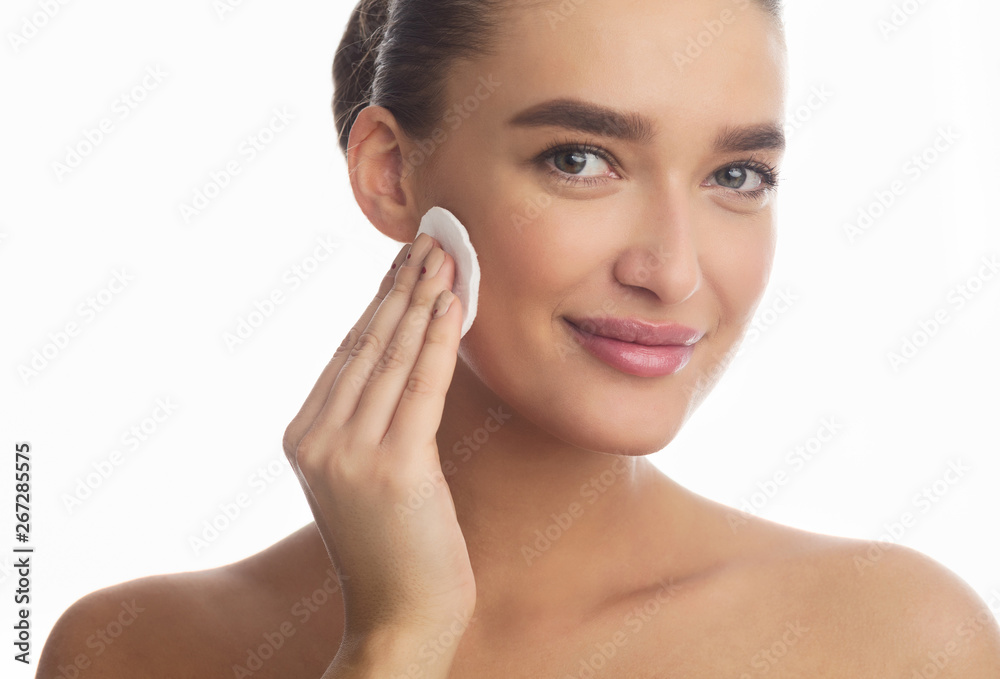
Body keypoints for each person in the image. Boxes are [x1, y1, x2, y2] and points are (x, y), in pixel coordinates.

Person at [36, 0, 1000, 676]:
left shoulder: (894, 642)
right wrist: (396, 641)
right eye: (581, 159)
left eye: (736, 176)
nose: (673, 270)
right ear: (389, 172)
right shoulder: (134, 650)